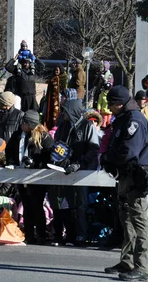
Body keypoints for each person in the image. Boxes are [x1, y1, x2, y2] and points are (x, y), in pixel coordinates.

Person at [101, 86, 148, 281]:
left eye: (110, 104)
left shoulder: (134, 120)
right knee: (127, 219)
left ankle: (142, 267)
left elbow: (128, 151)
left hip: (136, 176)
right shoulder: (124, 118)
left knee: (139, 221)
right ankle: (128, 261)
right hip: (125, 176)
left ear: (119, 104)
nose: (109, 108)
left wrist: (110, 158)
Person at [53, 99, 100, 246]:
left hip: (83, 170)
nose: (63, 114)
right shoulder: (63, 126)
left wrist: (79, 164)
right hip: (65, 169)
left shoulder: (87, 126)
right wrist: (58, 159)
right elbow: (58, 146)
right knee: (65, 203)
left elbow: (94, 149)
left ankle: (81, 234)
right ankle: (69, 234)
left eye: (65, 111)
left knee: (81, 203)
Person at [5, 110, 53, 245]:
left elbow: (49, 156)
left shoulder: (44, 137)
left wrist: (35, 163)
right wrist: (11, 163)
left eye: (24, 123)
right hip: (21, 175)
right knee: (26, 205)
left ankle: (41, 235)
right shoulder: (17, 135)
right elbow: (9, 151)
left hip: (37, 177)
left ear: (30, 124)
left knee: (37, 206)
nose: (22, 125)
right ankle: (29, 234)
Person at [45, 65, 68, 130]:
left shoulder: (64, 78)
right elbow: (49, 89)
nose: (56, 71)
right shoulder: (52, 78)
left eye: (58, 70)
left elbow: (65, 88)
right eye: (55, 70)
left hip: (60, 98)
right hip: (52, 99)